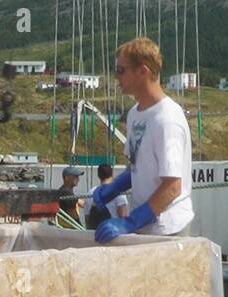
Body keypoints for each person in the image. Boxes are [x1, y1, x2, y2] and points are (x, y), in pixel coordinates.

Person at [93, 37, 194, 243]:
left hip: (168, 230)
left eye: (121, 71)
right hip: (146, 229)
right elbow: (139, 166)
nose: (116, 77)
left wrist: (130, 222)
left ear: (142, 71)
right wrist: (113, 189)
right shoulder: (135, 114)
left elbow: (172, 186)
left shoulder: (167, 120)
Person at [83, 163, 128, 229]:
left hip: (94, 234)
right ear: (112, 174)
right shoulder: (119, 193)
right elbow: (123, 217)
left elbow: (87, 218)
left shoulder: (90, 192)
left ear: (98, 175)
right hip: (112, 234)